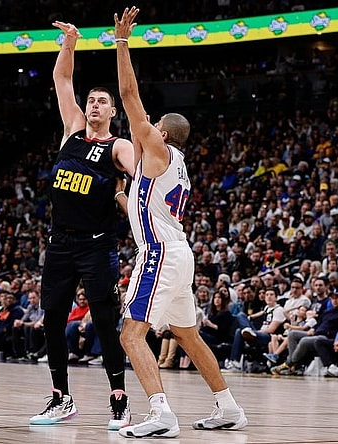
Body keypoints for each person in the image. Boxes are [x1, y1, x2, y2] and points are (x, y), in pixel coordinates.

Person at [113, 7, 246, 439]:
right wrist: (124, 200)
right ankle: (228, 407)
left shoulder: (157, 148)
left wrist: (121, 43)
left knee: (131, 335)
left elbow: (130, 98)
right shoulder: (172, 165)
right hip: (178, 251)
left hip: (160, 254)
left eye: (153, 126)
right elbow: (150, 208)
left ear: (163, 135)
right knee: (187, 335)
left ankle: (160, 413)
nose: (145, 127)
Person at [28, 18, 135, 430]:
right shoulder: (72, 131)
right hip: (59, 244)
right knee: (52, 318)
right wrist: (69, 44)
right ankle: (60, 397)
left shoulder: (118, 146)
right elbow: (61, 79)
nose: (93, 105)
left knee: (106, 321)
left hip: (97, 245)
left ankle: (119, 399)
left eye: (102, 101)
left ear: (112, 111)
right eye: (91, 100)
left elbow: (139, 178)